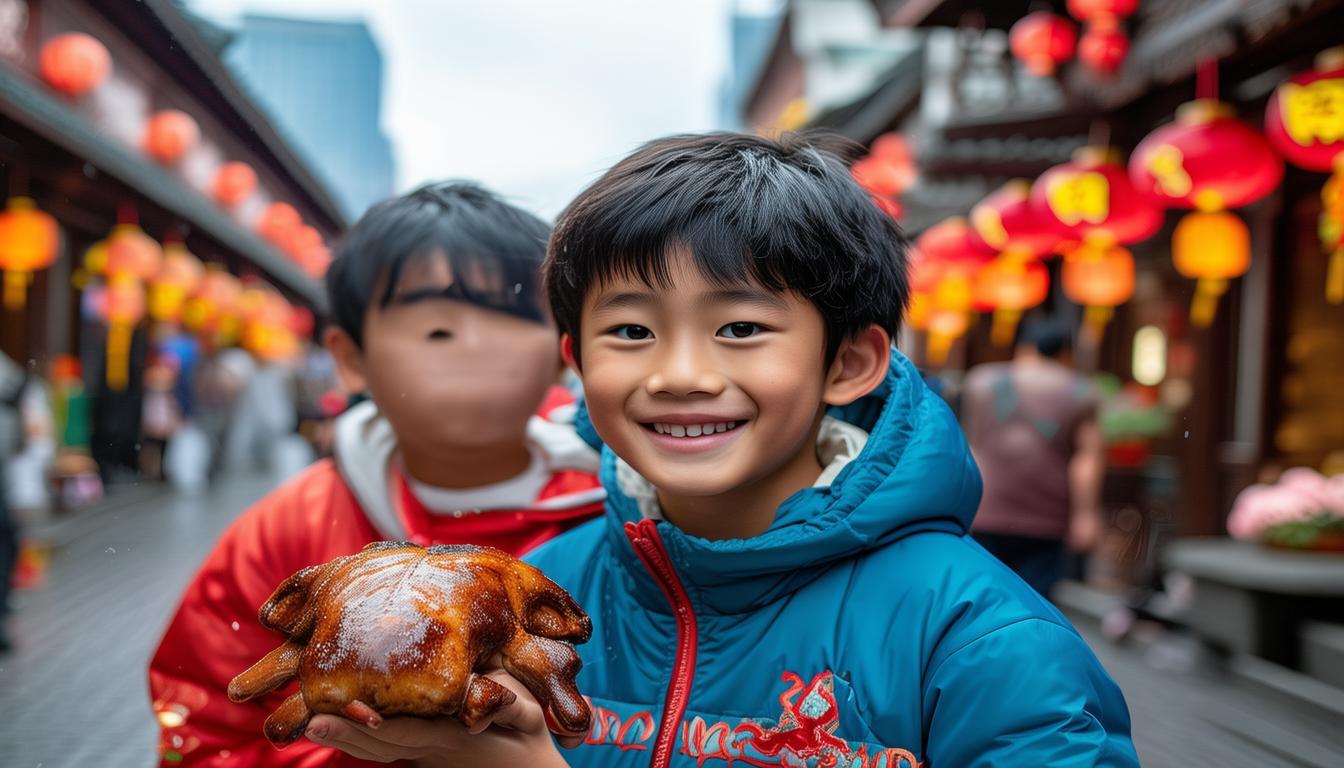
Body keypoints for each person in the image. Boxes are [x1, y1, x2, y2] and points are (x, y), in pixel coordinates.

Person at [303, 134, 1138, 767]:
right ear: (577, 362)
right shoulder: (541, 598)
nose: (680, 374)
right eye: (629, 331)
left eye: (740, 328)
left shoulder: (979, 642)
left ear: (849, 361)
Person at [148, 182, 606, 766]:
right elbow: (202, 715)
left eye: (509, 321)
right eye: (437, 330)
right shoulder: (287, 529)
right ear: (350, 358)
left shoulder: (615, 516)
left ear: (563, 349)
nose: (474, 350)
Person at [962, 315, 1105, 597]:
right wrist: (1085, 515)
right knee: (1035, 602)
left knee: (986, 596)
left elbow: (971, 445)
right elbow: (1086, 460)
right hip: (1047, 516)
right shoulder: (1081, 391)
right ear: (1066, 353)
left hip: (986, 508)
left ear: (1024, 347)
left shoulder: (980, 382)